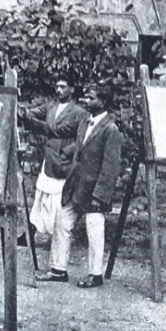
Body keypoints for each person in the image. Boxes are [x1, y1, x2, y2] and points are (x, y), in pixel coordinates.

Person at [36, 87, 121, 288]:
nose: (86, 100)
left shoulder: (111, 130)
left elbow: (111, 167)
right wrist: (69, 152)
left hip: (94, 191)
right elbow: (80, 144)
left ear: (102, 101)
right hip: (76, 186)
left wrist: (100, 195)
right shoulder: (84, 121)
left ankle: (95, 274)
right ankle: (58, 269)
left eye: (91, 97)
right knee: (62, 222)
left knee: (95, 231)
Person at [18, 79, 89, 245]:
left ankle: (58, 236)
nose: (58, 90)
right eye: (56, 86)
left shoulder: (80, 112)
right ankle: (28, 234)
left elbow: (82, 138)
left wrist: (69, 151)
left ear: (71, 89)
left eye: (63, 87)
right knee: (40, 197)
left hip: (64, 161)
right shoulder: (51, 106)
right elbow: (31, 114)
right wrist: (22, 112)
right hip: (49, 158)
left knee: (58, 200)